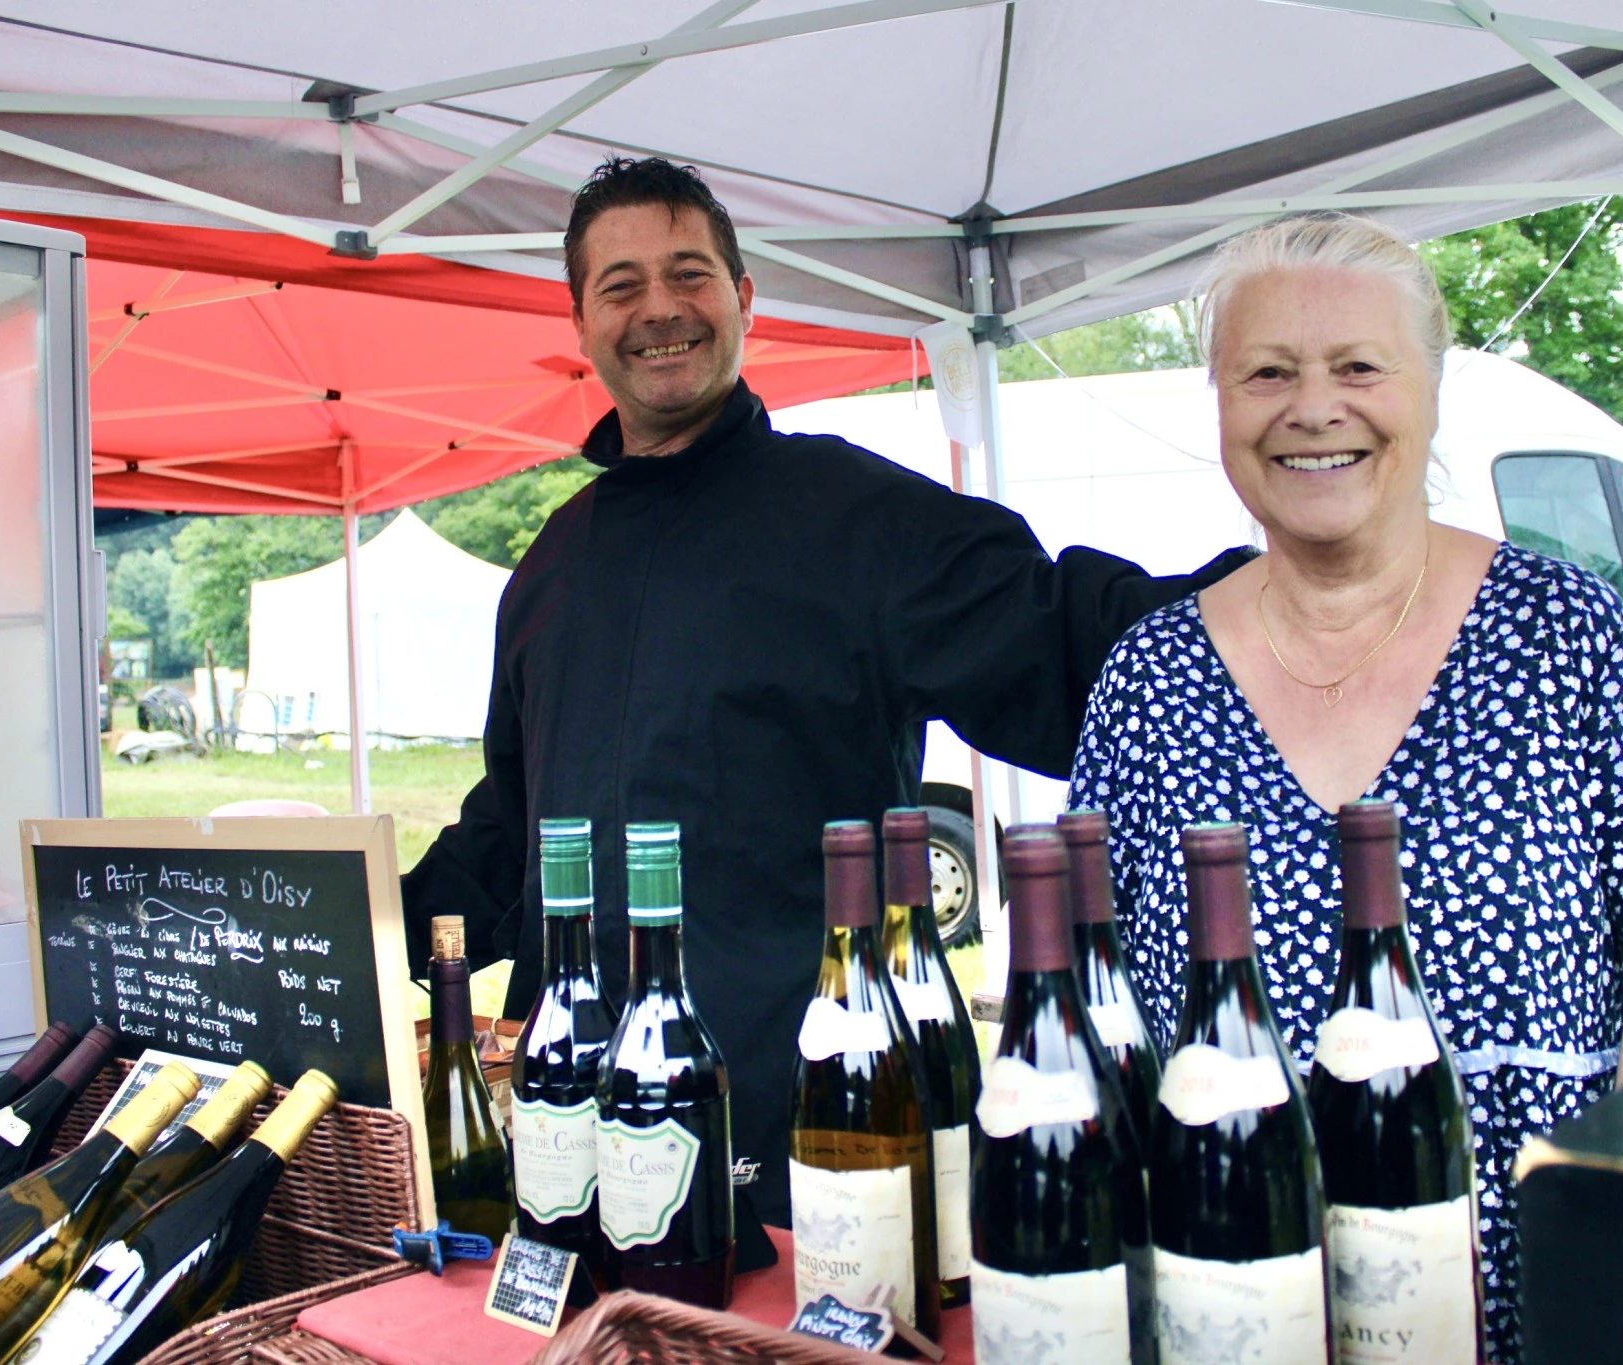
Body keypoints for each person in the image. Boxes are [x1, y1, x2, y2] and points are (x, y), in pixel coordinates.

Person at [403, 156, 1252, 1235]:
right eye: (619, 286)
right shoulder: (550, 568)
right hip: (575, 1133)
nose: (658, 308)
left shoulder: (857, 521)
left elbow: (1063, 637)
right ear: (578, 322)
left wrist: (1272, 600)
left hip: (809, 1124)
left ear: (743, 300)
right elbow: (510, 828)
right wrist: (361, 933)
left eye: (688, 274)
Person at [1067, 213, 1623, 1363]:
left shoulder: (1567, 635)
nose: (1311, 407)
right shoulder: (1148, 676)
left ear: (1428, 395)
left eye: (1356, 367)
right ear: (1222, 407)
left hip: (1540, 1299)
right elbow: (1101, 1015)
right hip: (1230, 1299)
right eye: (1266, 374)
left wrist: (1621, 1242)